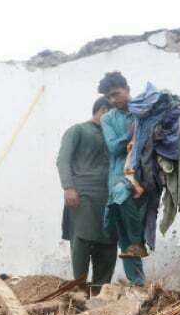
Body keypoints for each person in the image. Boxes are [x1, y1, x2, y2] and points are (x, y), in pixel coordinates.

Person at [57, 97, 117, 289]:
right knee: (82, 242)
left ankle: (100, 294)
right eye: (114, 114)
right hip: (82, 196)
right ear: (103, 110)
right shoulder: (78, 130)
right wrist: (68, 187)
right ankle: (80, 292)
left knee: (108, 245)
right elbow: (63, 160)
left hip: (110, 198)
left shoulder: (114, 137)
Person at [98, 71, 147, 286]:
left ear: (127, 89)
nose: (113, 100)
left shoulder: (144, 110)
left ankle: (139, 244)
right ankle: (137, 285)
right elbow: (113, 147)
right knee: (124, 236)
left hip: (146, 177)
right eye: (109, 97)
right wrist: (130, 133)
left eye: (116, 94)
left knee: (143, 220)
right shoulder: (108, 118)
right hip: (119, 178)